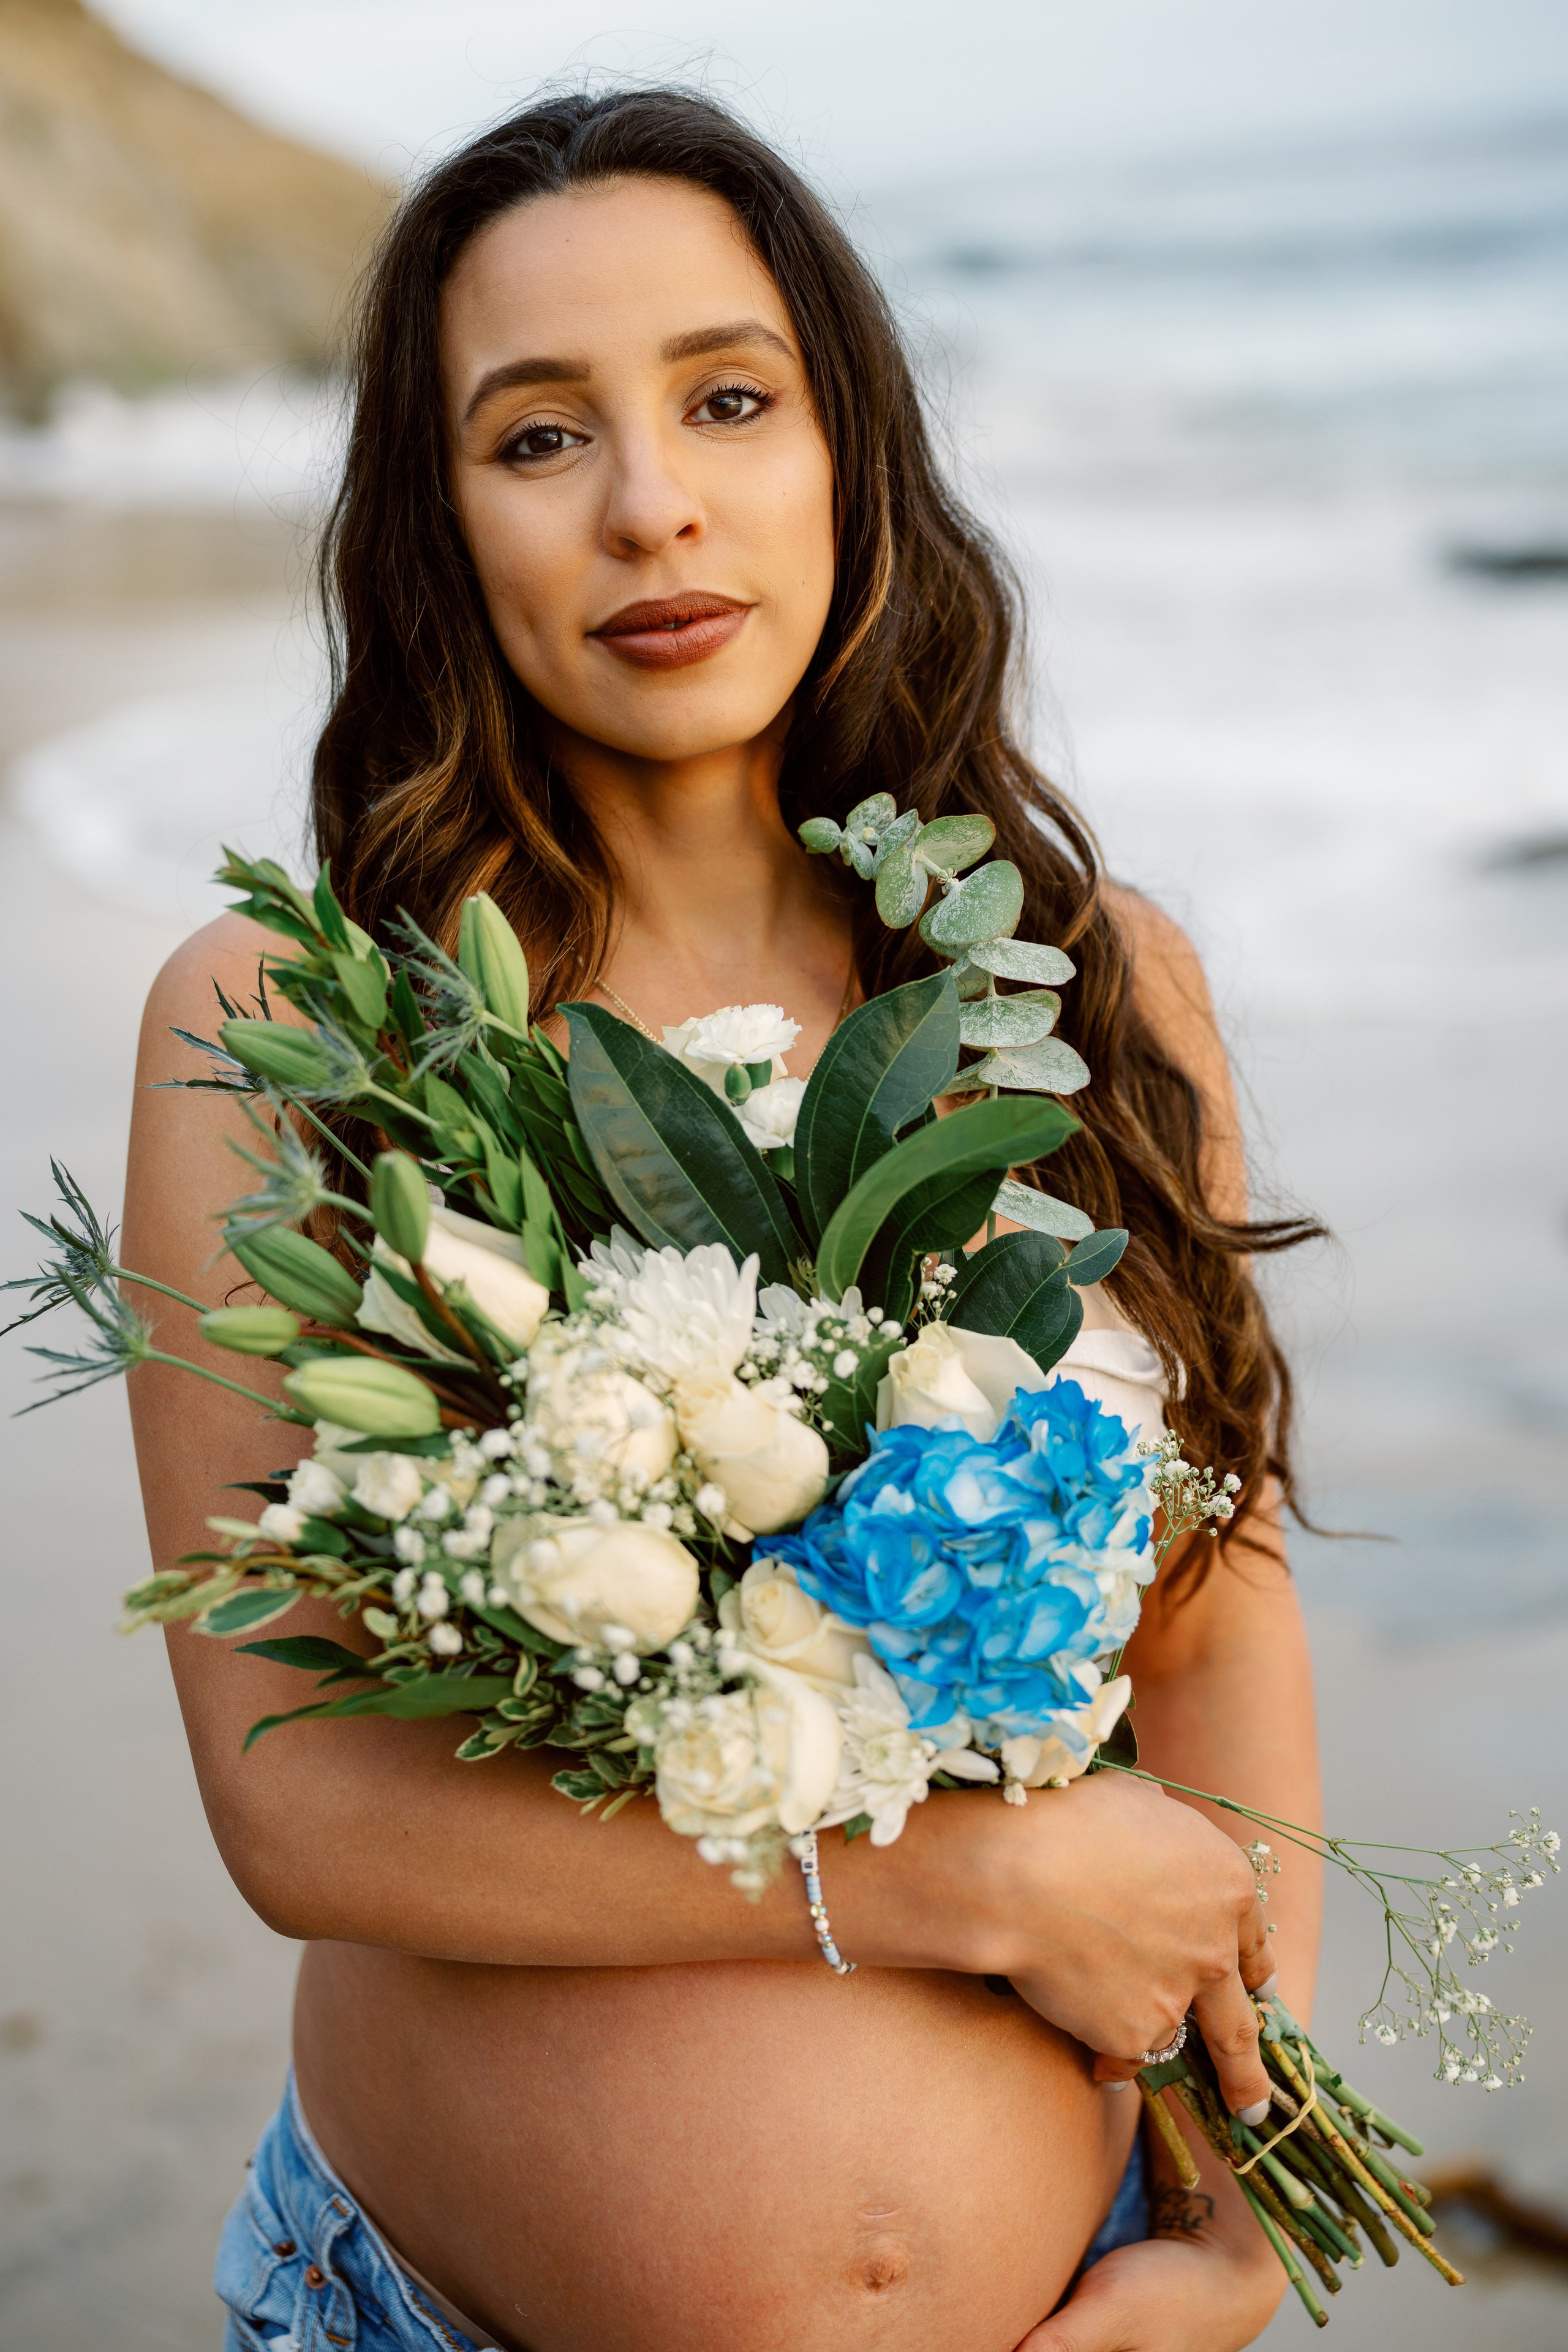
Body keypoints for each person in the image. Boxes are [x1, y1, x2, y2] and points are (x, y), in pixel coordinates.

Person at [122, 88, 1323, 2352]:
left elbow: (1215, 1631)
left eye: (728, 399)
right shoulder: (300, 1036)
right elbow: (309, 1814)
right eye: (539, 436)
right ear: (437, 524)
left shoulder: (1086, 990)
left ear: (848, 445)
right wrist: (976, 1879)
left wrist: (1233, 2232)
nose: (656, 503)